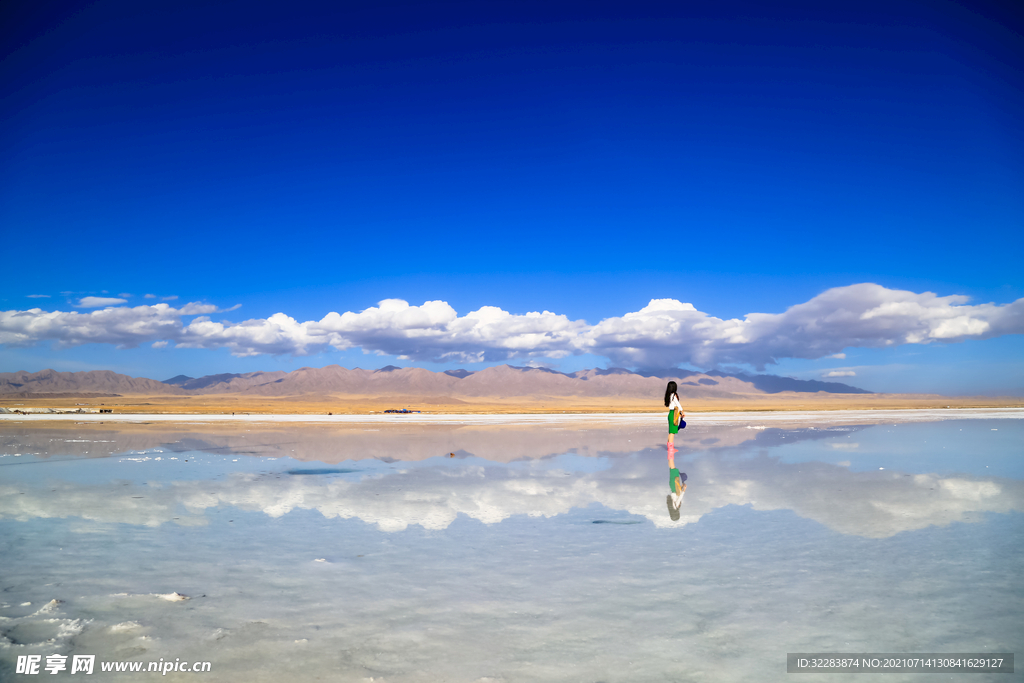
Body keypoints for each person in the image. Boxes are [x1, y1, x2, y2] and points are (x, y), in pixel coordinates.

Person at [664, 381, 686, 452]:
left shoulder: (669, 395)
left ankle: (669, 447)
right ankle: (670, 448)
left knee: (671, 432)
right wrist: (682, 411)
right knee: (672, 432)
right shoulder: (673, 396)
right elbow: (678, 404)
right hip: (673, 414)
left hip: (671, 413)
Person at [666, 448, 687, 519]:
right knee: (671, 469)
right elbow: (677, 497)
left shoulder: (676, 507)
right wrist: (681, 488)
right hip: (673, 487)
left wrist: (684, 490)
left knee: (673, 469)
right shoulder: (671, 507)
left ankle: (671, 452)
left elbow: (679, 498)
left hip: (675, 486)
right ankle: (670, 454)